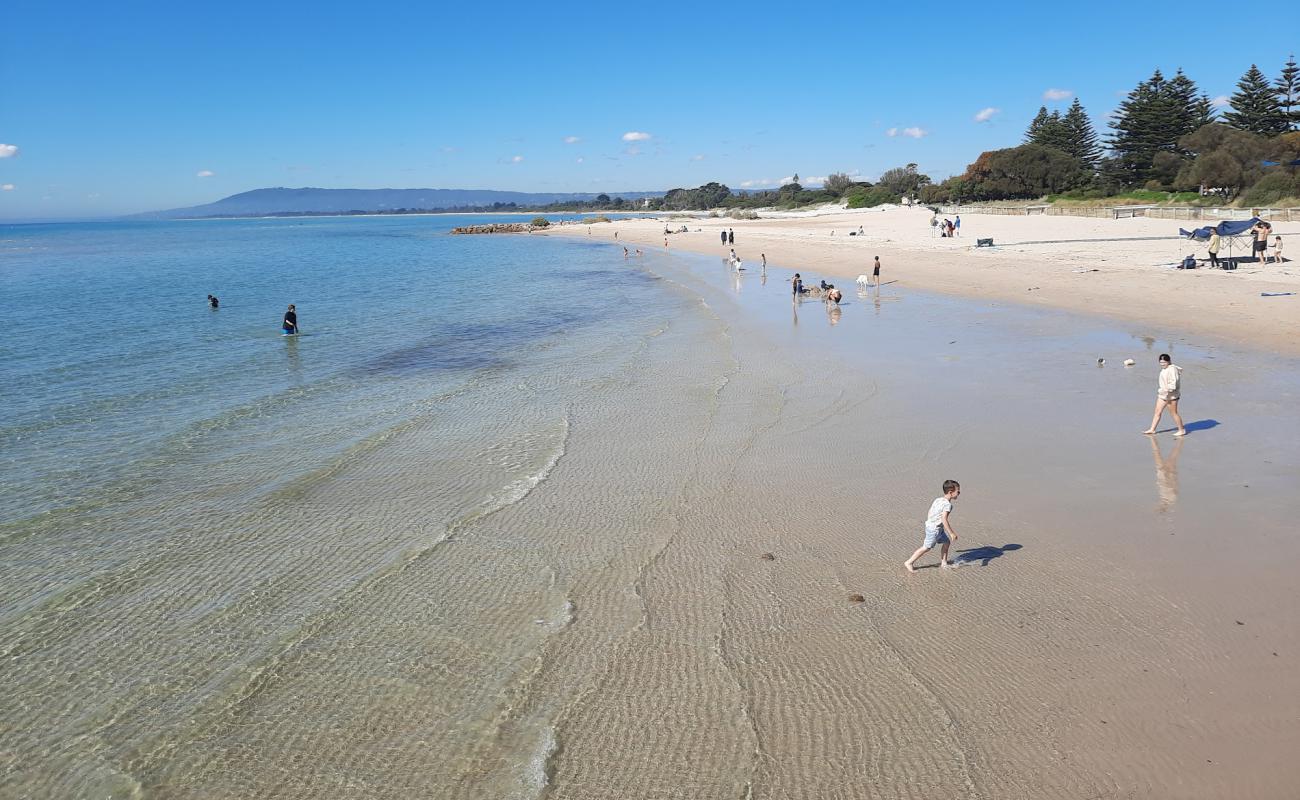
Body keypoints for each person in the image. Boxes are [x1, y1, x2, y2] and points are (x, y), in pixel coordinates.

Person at [905, 480, 961, 572]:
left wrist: (930, 521)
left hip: (934, 527)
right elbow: (944, 519)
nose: (959, 493)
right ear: (951, 492)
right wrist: (951, 533)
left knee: (946, 542)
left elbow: (930, 511)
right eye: (958, 492)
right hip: (934, 529)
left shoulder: (937, 499)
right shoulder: (948, 505)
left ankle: (944, 563)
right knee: (926, 547)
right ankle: (909, 562)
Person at [1142, 354, 1185, 437]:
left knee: (1173, 413)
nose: (1162, 364)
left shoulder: (1172, 369)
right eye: (1160, 362)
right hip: (1163, 394)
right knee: (1157, 412)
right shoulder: (1164, 369)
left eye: (1164, 362)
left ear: (1168, 361)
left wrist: (1168, 390)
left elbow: (1174, 383)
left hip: (1172, 395)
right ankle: (1152, 429)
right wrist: (1163, 391)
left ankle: (1181, 430)